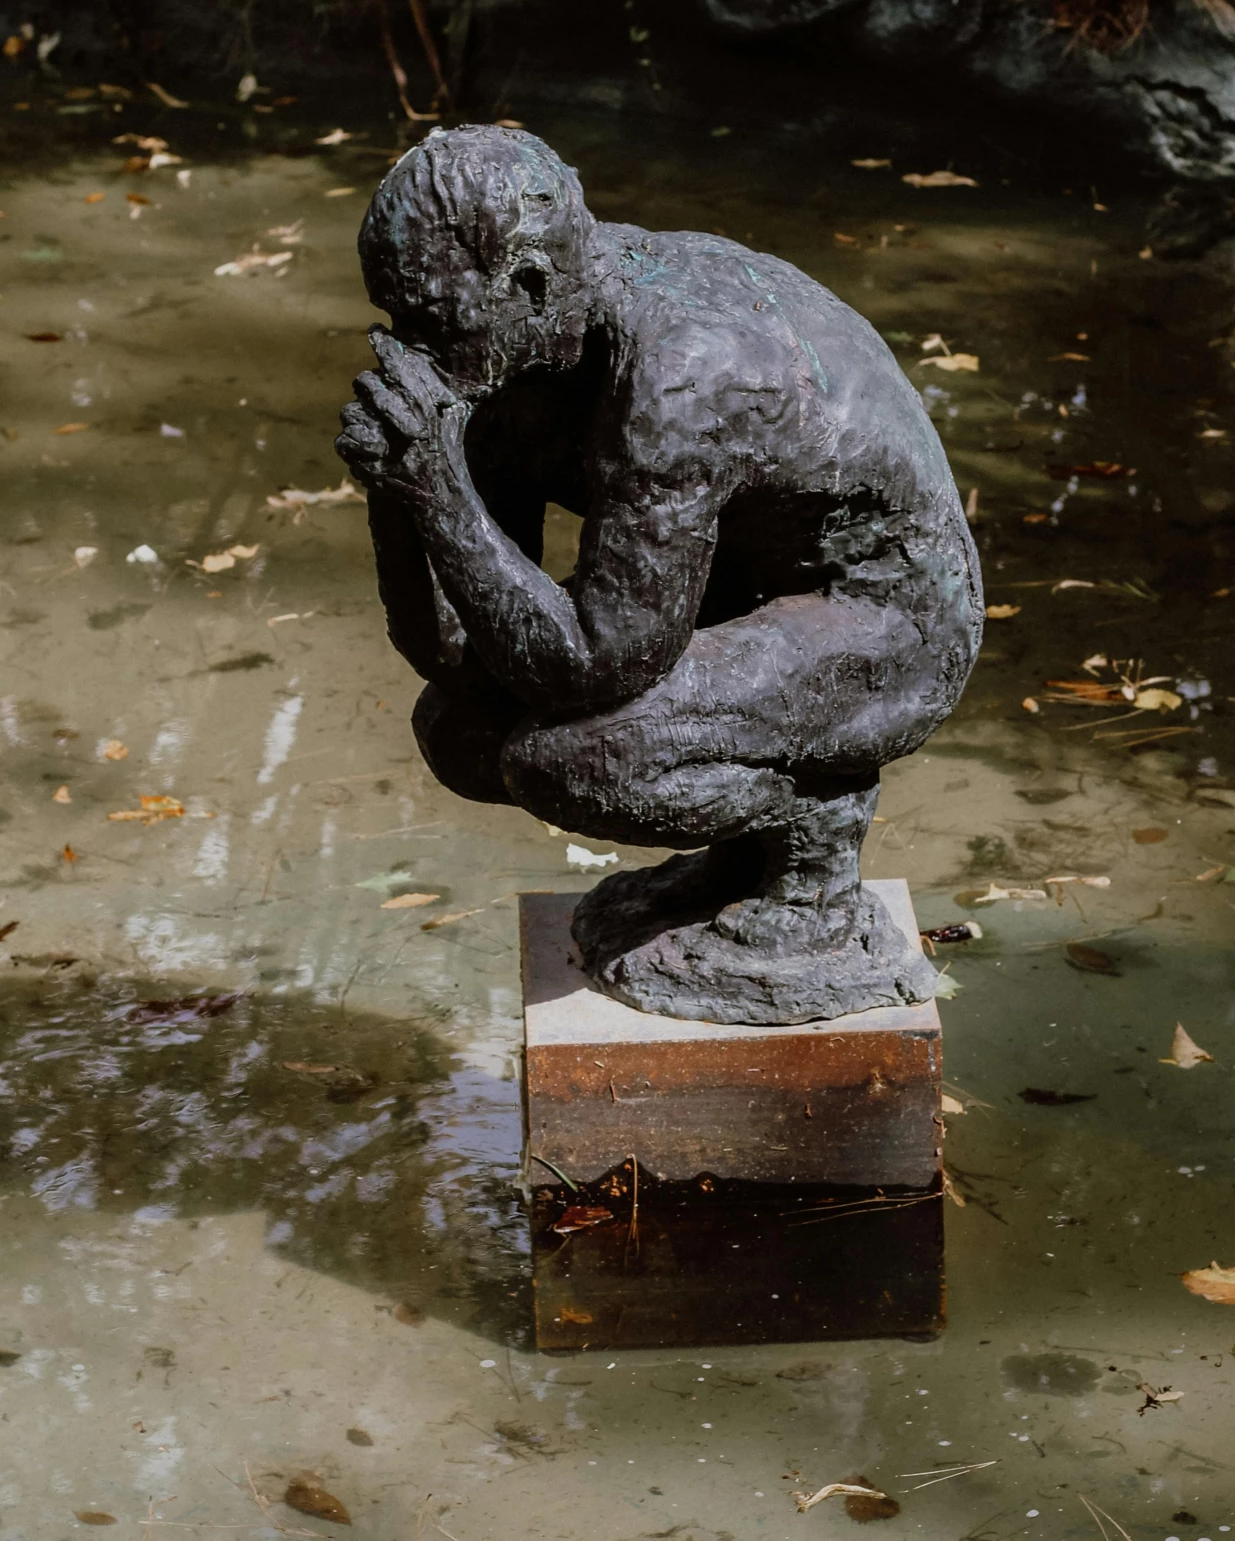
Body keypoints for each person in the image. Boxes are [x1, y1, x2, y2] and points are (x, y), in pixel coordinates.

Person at [337, 125, 982, 1023]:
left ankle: (814, 867)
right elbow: (455, 650)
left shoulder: (682, 370)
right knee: (461, 731)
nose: (412, 350)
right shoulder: (515, 345)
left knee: (568, 760)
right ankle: (736, 858)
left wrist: (437, 492)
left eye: (431, 323)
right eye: (397, 320)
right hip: (725, 598)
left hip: (885, 618)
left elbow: (596, 666)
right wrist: (398, 486)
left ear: (522, 287)